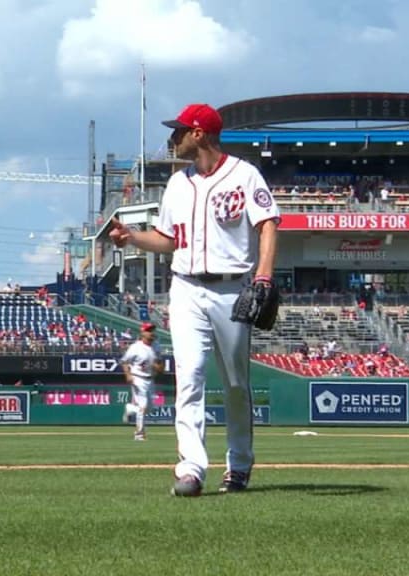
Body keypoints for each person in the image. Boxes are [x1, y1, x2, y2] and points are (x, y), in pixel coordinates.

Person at [108, 103, 280, 496]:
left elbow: (269, 225)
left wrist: (264, 276)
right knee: (190, 377)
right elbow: (169, 240)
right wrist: (132, 237)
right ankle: (191, 469)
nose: (173, 138)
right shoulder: (177, 183)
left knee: (236, 383)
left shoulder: (244, 175)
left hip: (232, 286)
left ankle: (238, 465)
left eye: (180, 130)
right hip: (185, 286)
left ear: (199, 133)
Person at [120, 322, 164, 441]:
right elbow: (124, 361)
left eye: (152, 330)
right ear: (143, 333)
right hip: (137, 378)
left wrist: (159, 367)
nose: (151, 333)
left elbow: (160, 364)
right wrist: (128, 374)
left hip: (150, 379)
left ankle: (130, 408)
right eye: (148, 330)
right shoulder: (135, 347)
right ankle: (139, 434)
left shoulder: (156, 346)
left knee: (150, 408)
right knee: (143, 406)